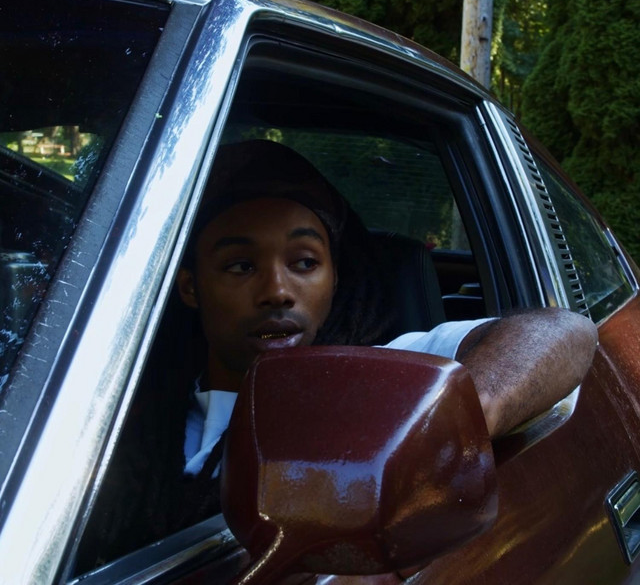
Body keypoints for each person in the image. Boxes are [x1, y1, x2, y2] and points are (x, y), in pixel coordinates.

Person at [77, 139, 597, 570]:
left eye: (304, 262)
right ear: (190, 287)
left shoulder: (379, 378)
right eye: (241, 266)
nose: (277, 291)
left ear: (334, 278)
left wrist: (438, 428)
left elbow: (564, 331)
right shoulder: (116, 401)